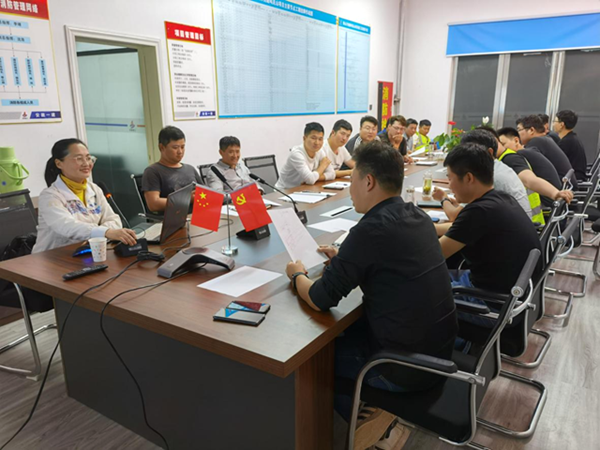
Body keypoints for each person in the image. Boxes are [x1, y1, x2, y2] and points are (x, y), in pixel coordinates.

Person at [284, 140, 457, 449]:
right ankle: (374, 413)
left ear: (368, 181)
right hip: (438, 354)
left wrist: (297, 274)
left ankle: (377, 421)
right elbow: (387, 259)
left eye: (352, 180)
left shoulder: (370, 230)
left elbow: (320, 299)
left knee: (312, 364)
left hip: (401, 369)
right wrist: (345, 259)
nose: (350, 189)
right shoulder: (416, 216)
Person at [435, 142, 541, 322]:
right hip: (514, 298)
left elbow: (432, 256)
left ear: (469, 178)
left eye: (450, 178)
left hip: (489, 304)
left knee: (415, 285)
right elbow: (460, 228)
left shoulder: (479, 211)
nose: (449, 185)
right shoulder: (501, 199)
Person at [33, 139, 137, 253]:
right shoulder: (50, 196)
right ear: (59, 163)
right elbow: (67, 226)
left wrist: (99, 233)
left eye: (88, 158)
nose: (86, 164)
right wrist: (105, 232)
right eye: (79, 158)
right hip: (53, 257)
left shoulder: (94, 189)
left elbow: (114, 220)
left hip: (88, 252)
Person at [433, 129, 532, 222]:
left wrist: (443, 198)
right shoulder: (497, 167)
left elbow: (455, 217)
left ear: (489, 152)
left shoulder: (490, 176)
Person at [495, 127, 573, 211]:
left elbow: (529, 180)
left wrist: (555, 193)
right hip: (553, 203)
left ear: (516, 140)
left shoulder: (513, 157)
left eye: (502, 144)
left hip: (548, 205)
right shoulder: (529, 151)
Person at [142, 126, 202, 213]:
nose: (180, 151)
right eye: (175, 147)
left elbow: (204, 194)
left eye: (182, 147)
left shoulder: (190, 169)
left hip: (198, 216)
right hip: (173, 219)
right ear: (162, 147)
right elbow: (154, 204)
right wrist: (187, 199)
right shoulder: (152, 171)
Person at [516, 115, 577, 189]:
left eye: (519, 130)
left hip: (562, 188)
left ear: (531, 130)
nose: (517, 134)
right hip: (566, 185)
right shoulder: (545, 140)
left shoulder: (536, 142)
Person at [275, 122, 335, 190]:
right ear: (304, 138)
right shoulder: (297, 154)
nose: (317, 142)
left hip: (303, 190)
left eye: (320, 139)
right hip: (284, 191)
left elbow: (332, 174)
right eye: (313, 138)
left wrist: (315, 178)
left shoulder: (319, 151)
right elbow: (310, 180)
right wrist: (322, 166)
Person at [553, 110, 588, 181]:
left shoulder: (566, 142)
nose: (553, 124)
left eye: (555, 121)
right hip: (574, 177)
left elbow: (555, 163)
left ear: (561, 124)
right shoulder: (572, 138)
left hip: (571, 180)